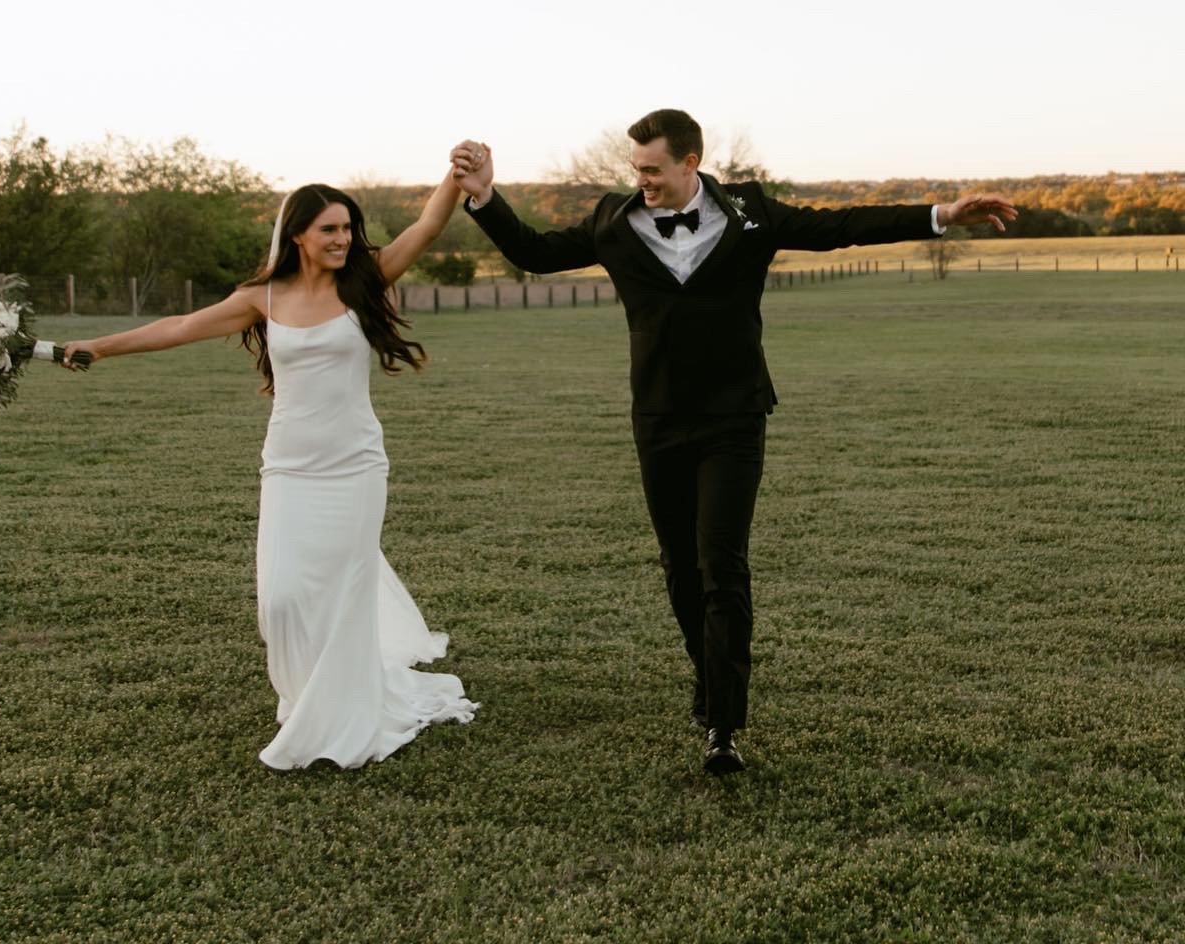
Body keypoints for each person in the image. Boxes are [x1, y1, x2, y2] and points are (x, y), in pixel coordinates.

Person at [451, 111, 1015, 776]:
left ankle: (723, 724)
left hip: (734, 419)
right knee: (679, 567)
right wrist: (485, 194)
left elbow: (840, 227)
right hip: (658, 421)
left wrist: (941, 214)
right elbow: (535, 252)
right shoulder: (612, 220)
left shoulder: (750, 214)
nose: (642, 181)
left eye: (653, 169)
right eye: (636, 169)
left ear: (691, 163)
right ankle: (710, 673)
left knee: (723, 563)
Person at [61, 173, 476, 770]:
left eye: (348, 228)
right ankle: (307, 695)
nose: (343, 239)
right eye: (329, 229)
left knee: (344, 592)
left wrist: (454, 177)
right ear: (298, 235)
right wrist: (101, 346)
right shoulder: (264, 297)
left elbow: (428, 226)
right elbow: (179, 328)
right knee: (282, 599)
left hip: (355, 465)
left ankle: (344, 711)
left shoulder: (366, 279)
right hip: (289, 466)